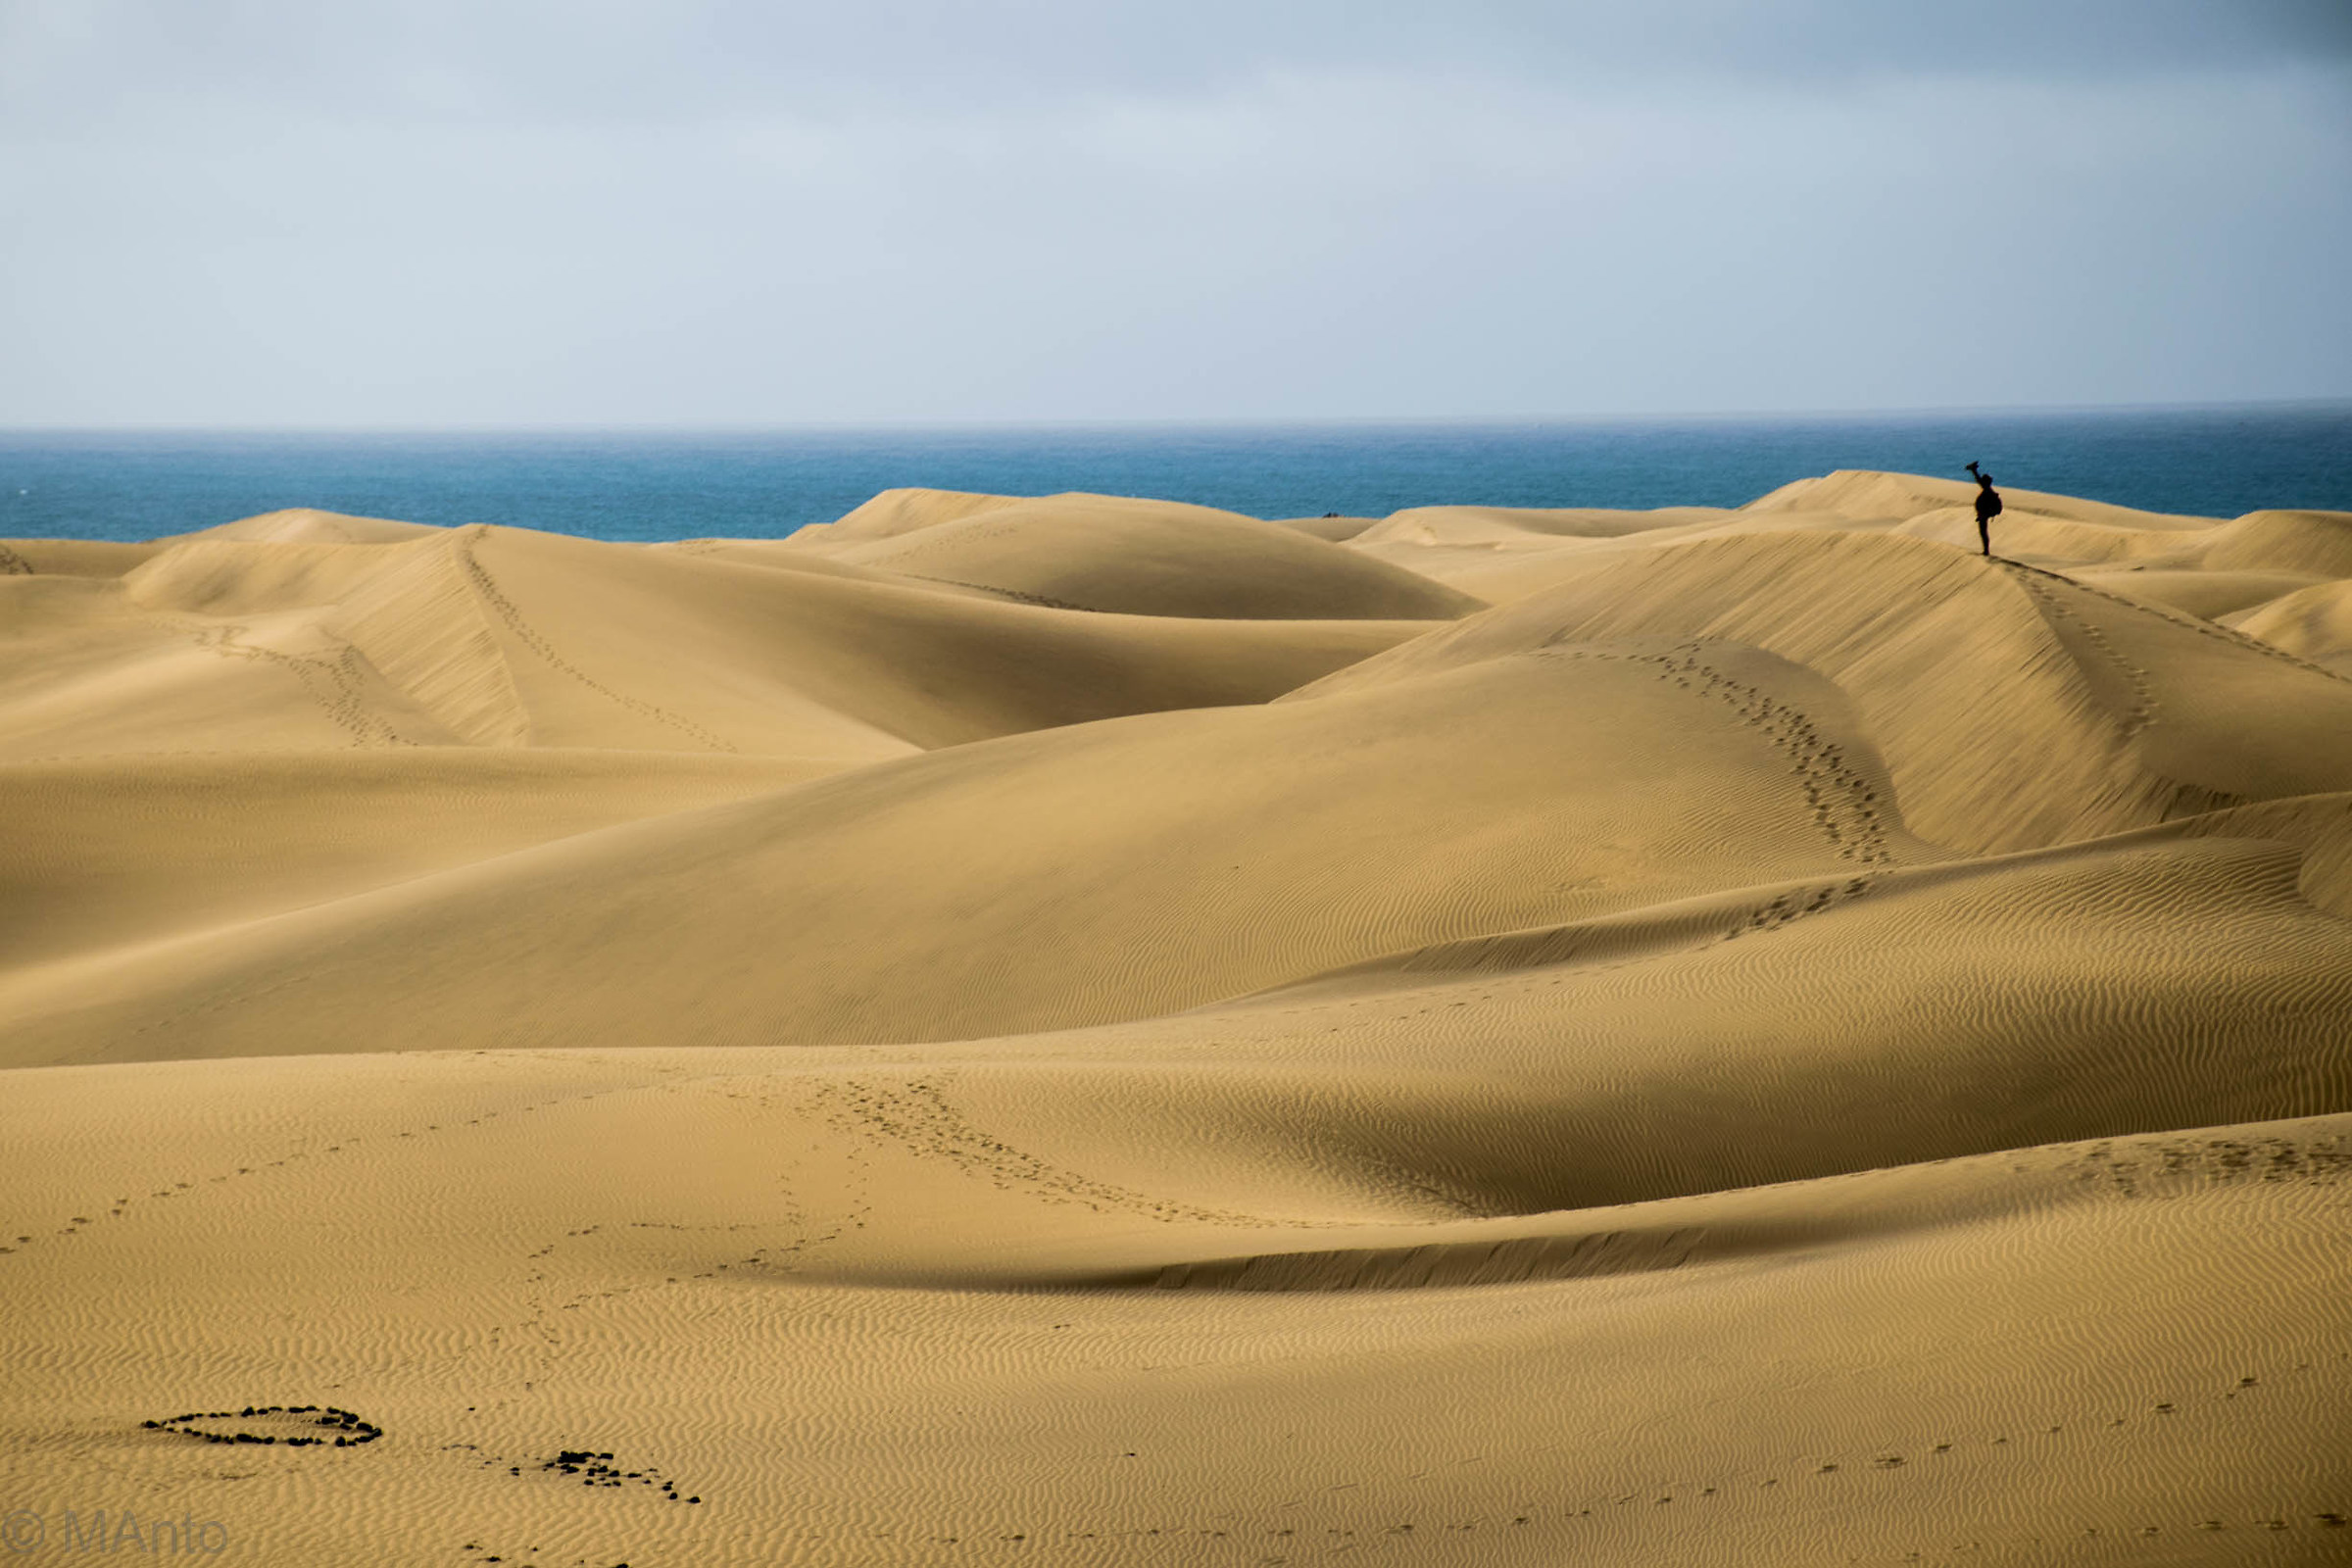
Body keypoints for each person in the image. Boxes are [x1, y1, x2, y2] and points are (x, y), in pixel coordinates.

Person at [1965, 461, 2002, 556]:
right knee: (1983, 532)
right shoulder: (1988, 489)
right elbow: (1979, 481)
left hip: (1984, 514)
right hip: (1984, 514)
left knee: (1983, 532)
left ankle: (1986, 551)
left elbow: (1979, 481)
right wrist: (1974, 470)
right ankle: (1986, 550)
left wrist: (1974, 470)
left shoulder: (1988, 491)